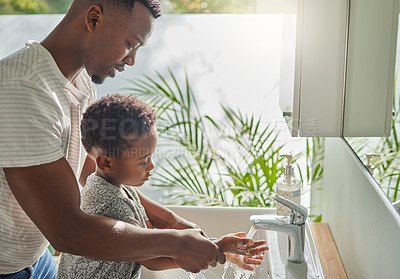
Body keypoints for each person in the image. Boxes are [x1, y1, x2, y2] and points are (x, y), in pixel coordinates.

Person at [0, 0, 258, 277]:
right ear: (94, 18)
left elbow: (93, 170)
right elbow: (67, 231)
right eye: (130, 43)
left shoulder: (80, 83)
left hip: (38, 262)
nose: (132, 59)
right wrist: (175, 242)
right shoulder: (23, 89)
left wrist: (171, 222)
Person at [56, 94, 267, 278]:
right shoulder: (111, 204)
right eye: (143, 160)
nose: (152, 166)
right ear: (106, 163)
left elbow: (161, 227)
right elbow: (152, 259)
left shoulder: (115, 186)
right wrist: (218, 248)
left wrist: (217, 249)